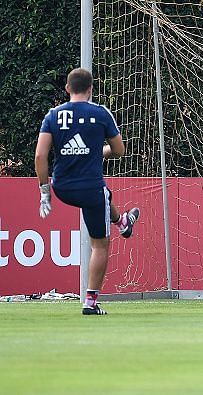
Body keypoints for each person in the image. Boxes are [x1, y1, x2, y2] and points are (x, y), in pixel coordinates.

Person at [35, 68, 140, 315]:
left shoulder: (53, 115)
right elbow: (119, 150)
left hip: (62, 188)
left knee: (104, 198)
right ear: (91, 89)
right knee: (100, 245)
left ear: (68, 89)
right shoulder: (101, 113)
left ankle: (122, 221)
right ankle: (90, 303)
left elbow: (40, 155)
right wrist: (97, 151)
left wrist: (44, 191)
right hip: (91, 189)